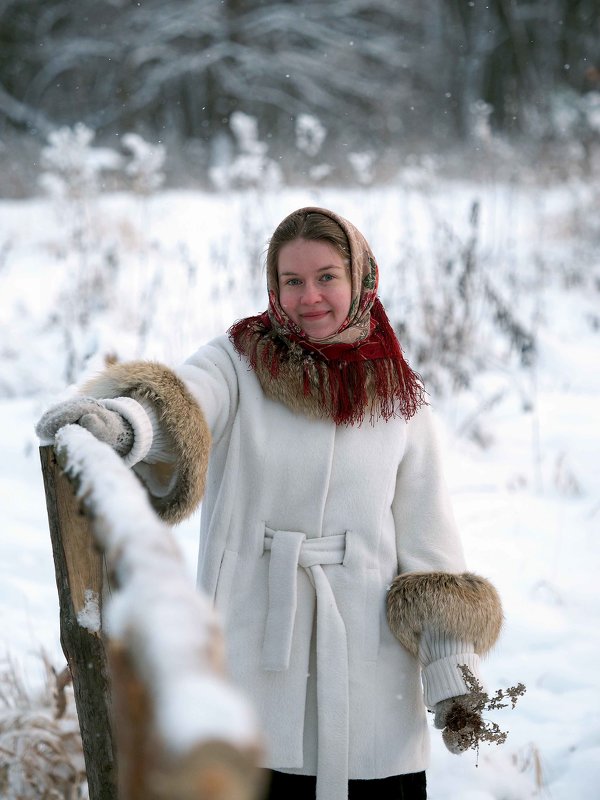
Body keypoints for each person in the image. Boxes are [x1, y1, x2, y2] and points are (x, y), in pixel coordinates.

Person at [37, 207, 503, 800]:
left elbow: (430, 551)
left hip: (367, 680)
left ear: (360, 278)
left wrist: (454, 680)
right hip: (251, 657)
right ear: (273, 286)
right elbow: (180, 405)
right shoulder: (237, 360)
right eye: (293, 280)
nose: (310, 296)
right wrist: (122, 424)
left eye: (327, 276)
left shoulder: (399, 397)